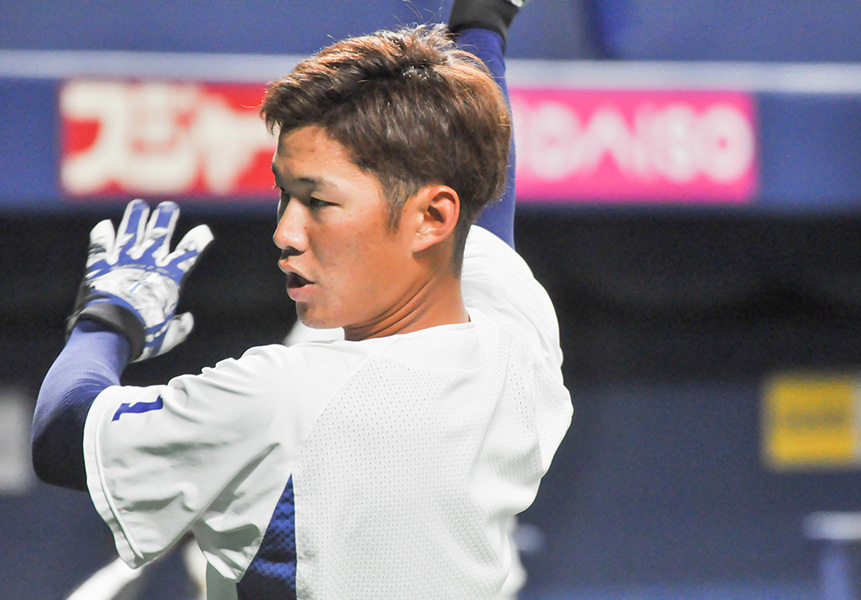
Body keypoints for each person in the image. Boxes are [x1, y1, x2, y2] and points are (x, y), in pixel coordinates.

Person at [32, 1, 572, 598]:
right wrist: (483, 25)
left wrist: (108, 319)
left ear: (431, 217)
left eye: (318, 201)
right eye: (284, 195)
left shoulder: (280, 398)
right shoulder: (515, 347)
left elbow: (62, 436)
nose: (284, 233)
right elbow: (485, 213)